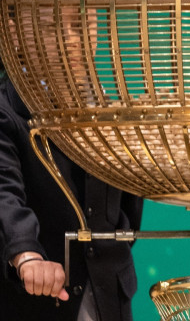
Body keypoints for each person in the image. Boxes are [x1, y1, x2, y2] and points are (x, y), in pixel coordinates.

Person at [0, 67, 143, 319]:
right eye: (56, 26)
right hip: (39, 298)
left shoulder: (108, 103)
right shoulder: (6, 109)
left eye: (83, 25)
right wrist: (27, 254)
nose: (72, 37)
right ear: (16, 28)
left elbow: (131, 197)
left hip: (109, 296)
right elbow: (4, 193)